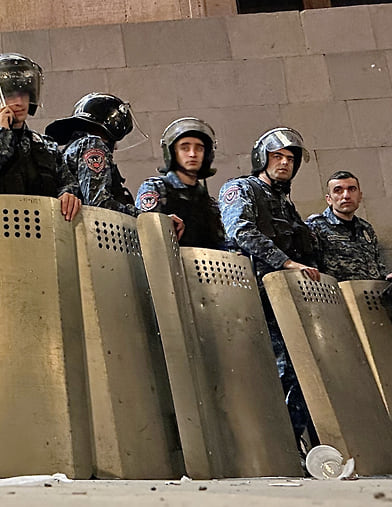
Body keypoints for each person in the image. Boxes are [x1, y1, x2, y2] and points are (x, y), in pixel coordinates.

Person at [219, 127, 319, 448]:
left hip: (286, 300)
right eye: (277, 156)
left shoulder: (286, 205)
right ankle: (277, 448)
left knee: (300, 374)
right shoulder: (241, 189)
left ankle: (292, 445)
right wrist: (286, 263)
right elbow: (240, 230)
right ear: (262, 158)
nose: (285, 163)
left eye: (290, 159)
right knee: (277, 375)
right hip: (253, 298)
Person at [0, 53, 80, 221]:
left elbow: (69, 183)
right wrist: (2, 135)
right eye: (10, 94)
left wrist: (68, 194)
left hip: (41, 228)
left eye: (24, 94)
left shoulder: (45, 145)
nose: (19, 102)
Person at [46, 92, 143, 218]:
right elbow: (99, 204)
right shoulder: (92, 144)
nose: (116, 147)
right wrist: (143, 217)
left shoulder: (72, 149)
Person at [135, 118, 223, 248]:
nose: (192, 154)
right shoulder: (157, 188)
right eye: (185, 148)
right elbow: (145, 228)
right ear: (172, 152)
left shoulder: (208, 202)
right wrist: (163, 224)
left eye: (199, 148)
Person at [306, 171, 391, 282]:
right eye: (338, 190)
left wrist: (386, 277)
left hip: (370, 291)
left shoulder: (365, 228)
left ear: (360, 196)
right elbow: (310, 269)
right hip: (337, 291)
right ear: (329, 199)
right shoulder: (315, 225)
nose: (346, 196)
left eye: (352, 189)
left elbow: (377, 267)